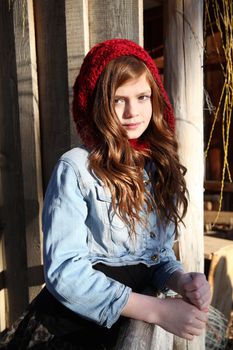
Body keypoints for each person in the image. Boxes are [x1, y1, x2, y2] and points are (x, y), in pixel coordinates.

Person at [0, 38, 211, 350]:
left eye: (142, 96)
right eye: (117, 100)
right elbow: (65, 271)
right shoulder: (76, 168)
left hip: (128, 324)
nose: (132, 112)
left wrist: (180, 280)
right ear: (97, 103)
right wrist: (157, 309)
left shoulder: (156, 166)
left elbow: (155, 255)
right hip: (73, 330)